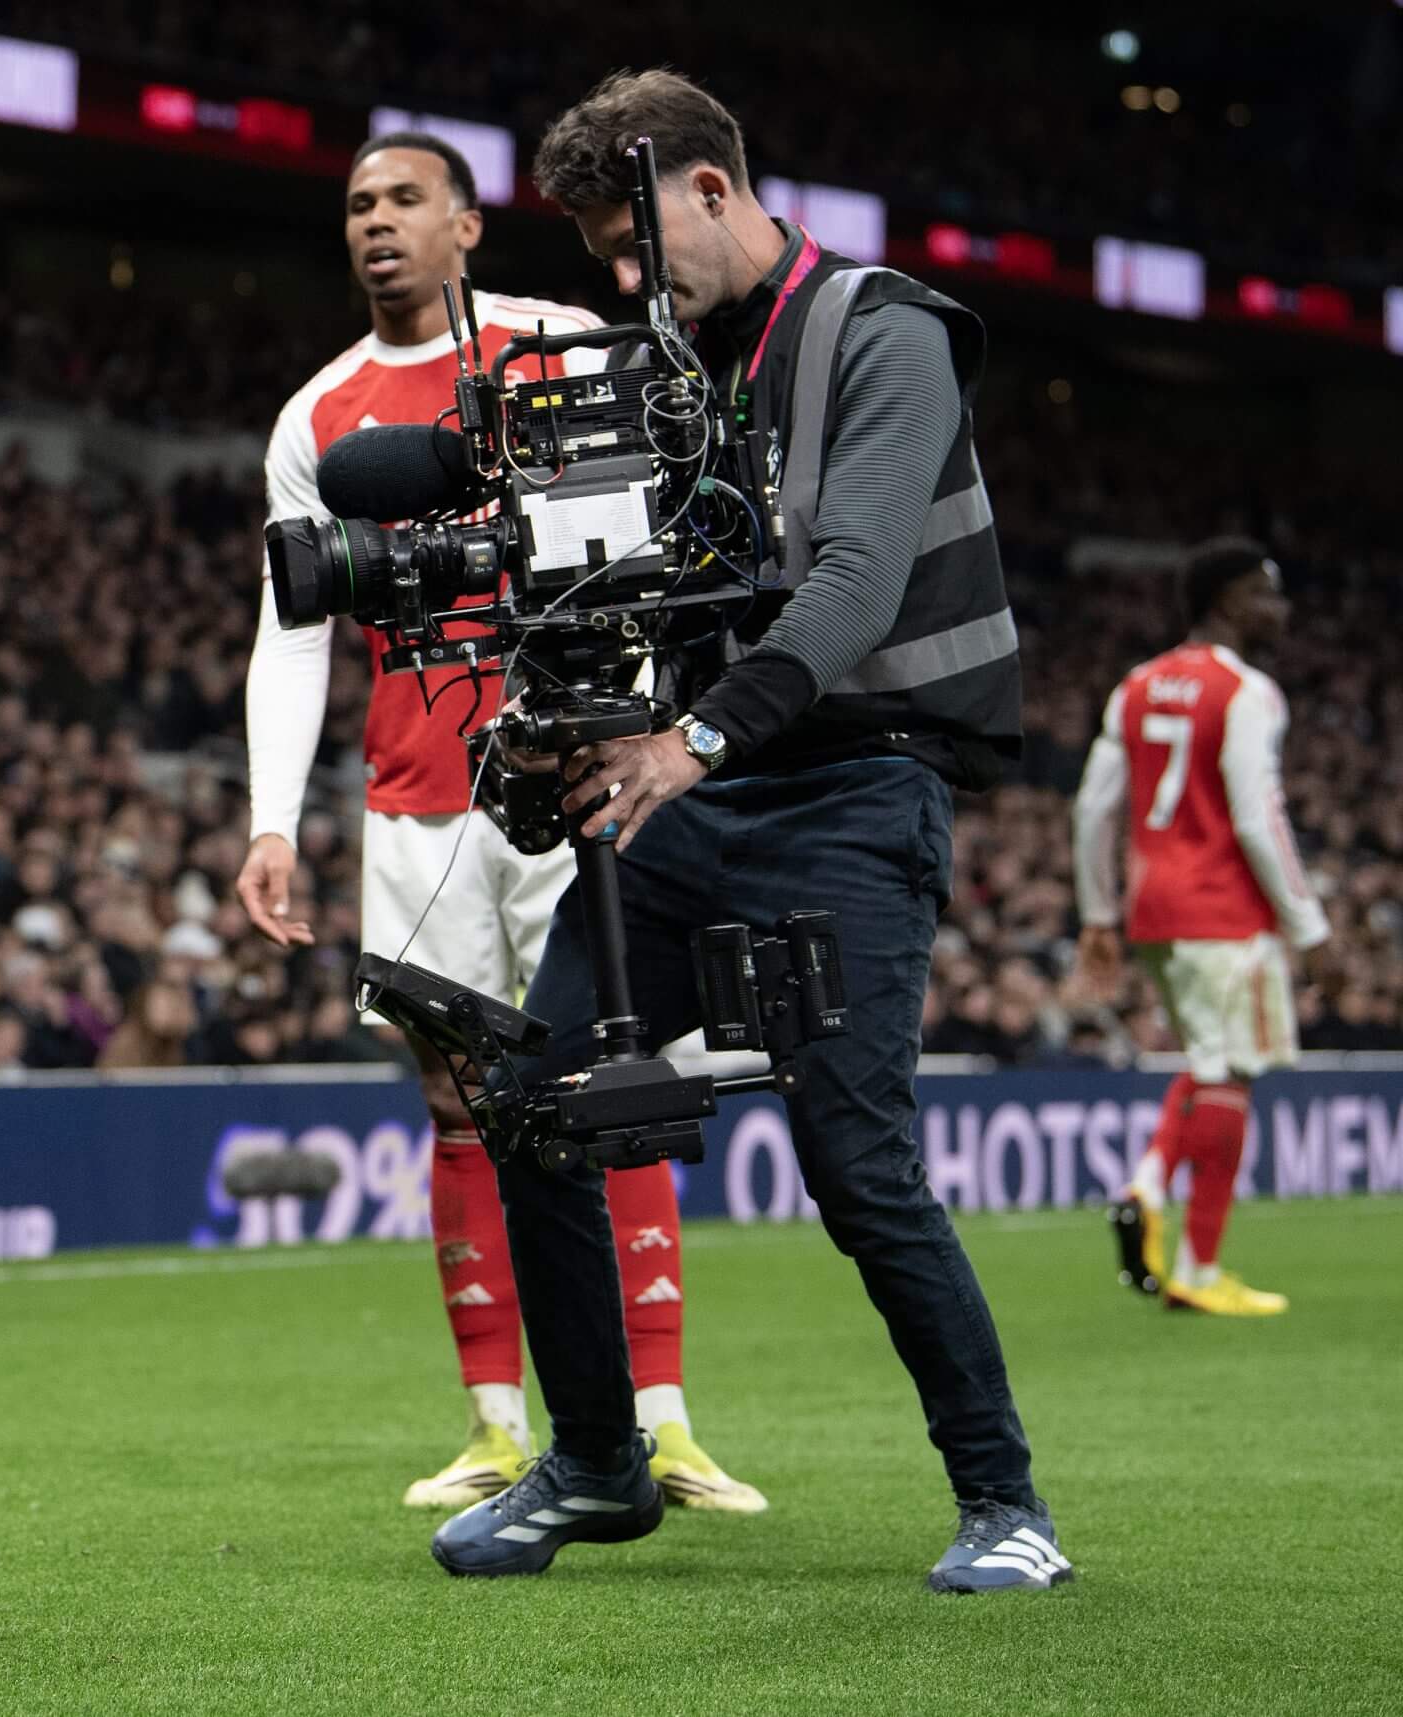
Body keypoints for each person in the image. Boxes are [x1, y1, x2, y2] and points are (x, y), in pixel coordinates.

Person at [428, 72, 1063, 1595]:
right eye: (601, 260)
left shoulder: (884, 328)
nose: (624, 285)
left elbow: (848, 581)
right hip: (695, 779)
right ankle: (595, 1462)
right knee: (534, 1089)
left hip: (851, 783)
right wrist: (552, 719)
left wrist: (689, 740)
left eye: (637, 248)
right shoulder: (659, 365)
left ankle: (1005, 1499)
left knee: (854, 1157)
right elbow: (618, 595)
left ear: (711, 186)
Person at [237, 131, 761, 1514]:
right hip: (419, 802)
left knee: (613, 1085)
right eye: (356, 207)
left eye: (405, 199)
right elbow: (292, 631)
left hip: (586, 771)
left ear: (467, 225)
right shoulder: (320, 414)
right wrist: (269, 819)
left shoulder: (563, 346)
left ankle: (663, 1418)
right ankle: (491, 1422)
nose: (377, 225)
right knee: (457, 1102)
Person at [1072, 539, 1324, 1317]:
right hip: (1223, 908)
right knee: (1230, 1072)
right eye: (1265, 594)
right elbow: (1257, 816)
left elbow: (1092, 809)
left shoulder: (1137, 684)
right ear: (1226, 602)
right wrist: (1308, 922)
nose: (1278, 610)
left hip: (1154, 908)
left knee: (1210, 1059)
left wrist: (1100, 913)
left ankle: (1150, 1194)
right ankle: (1197, 1264)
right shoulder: (1248, 691)